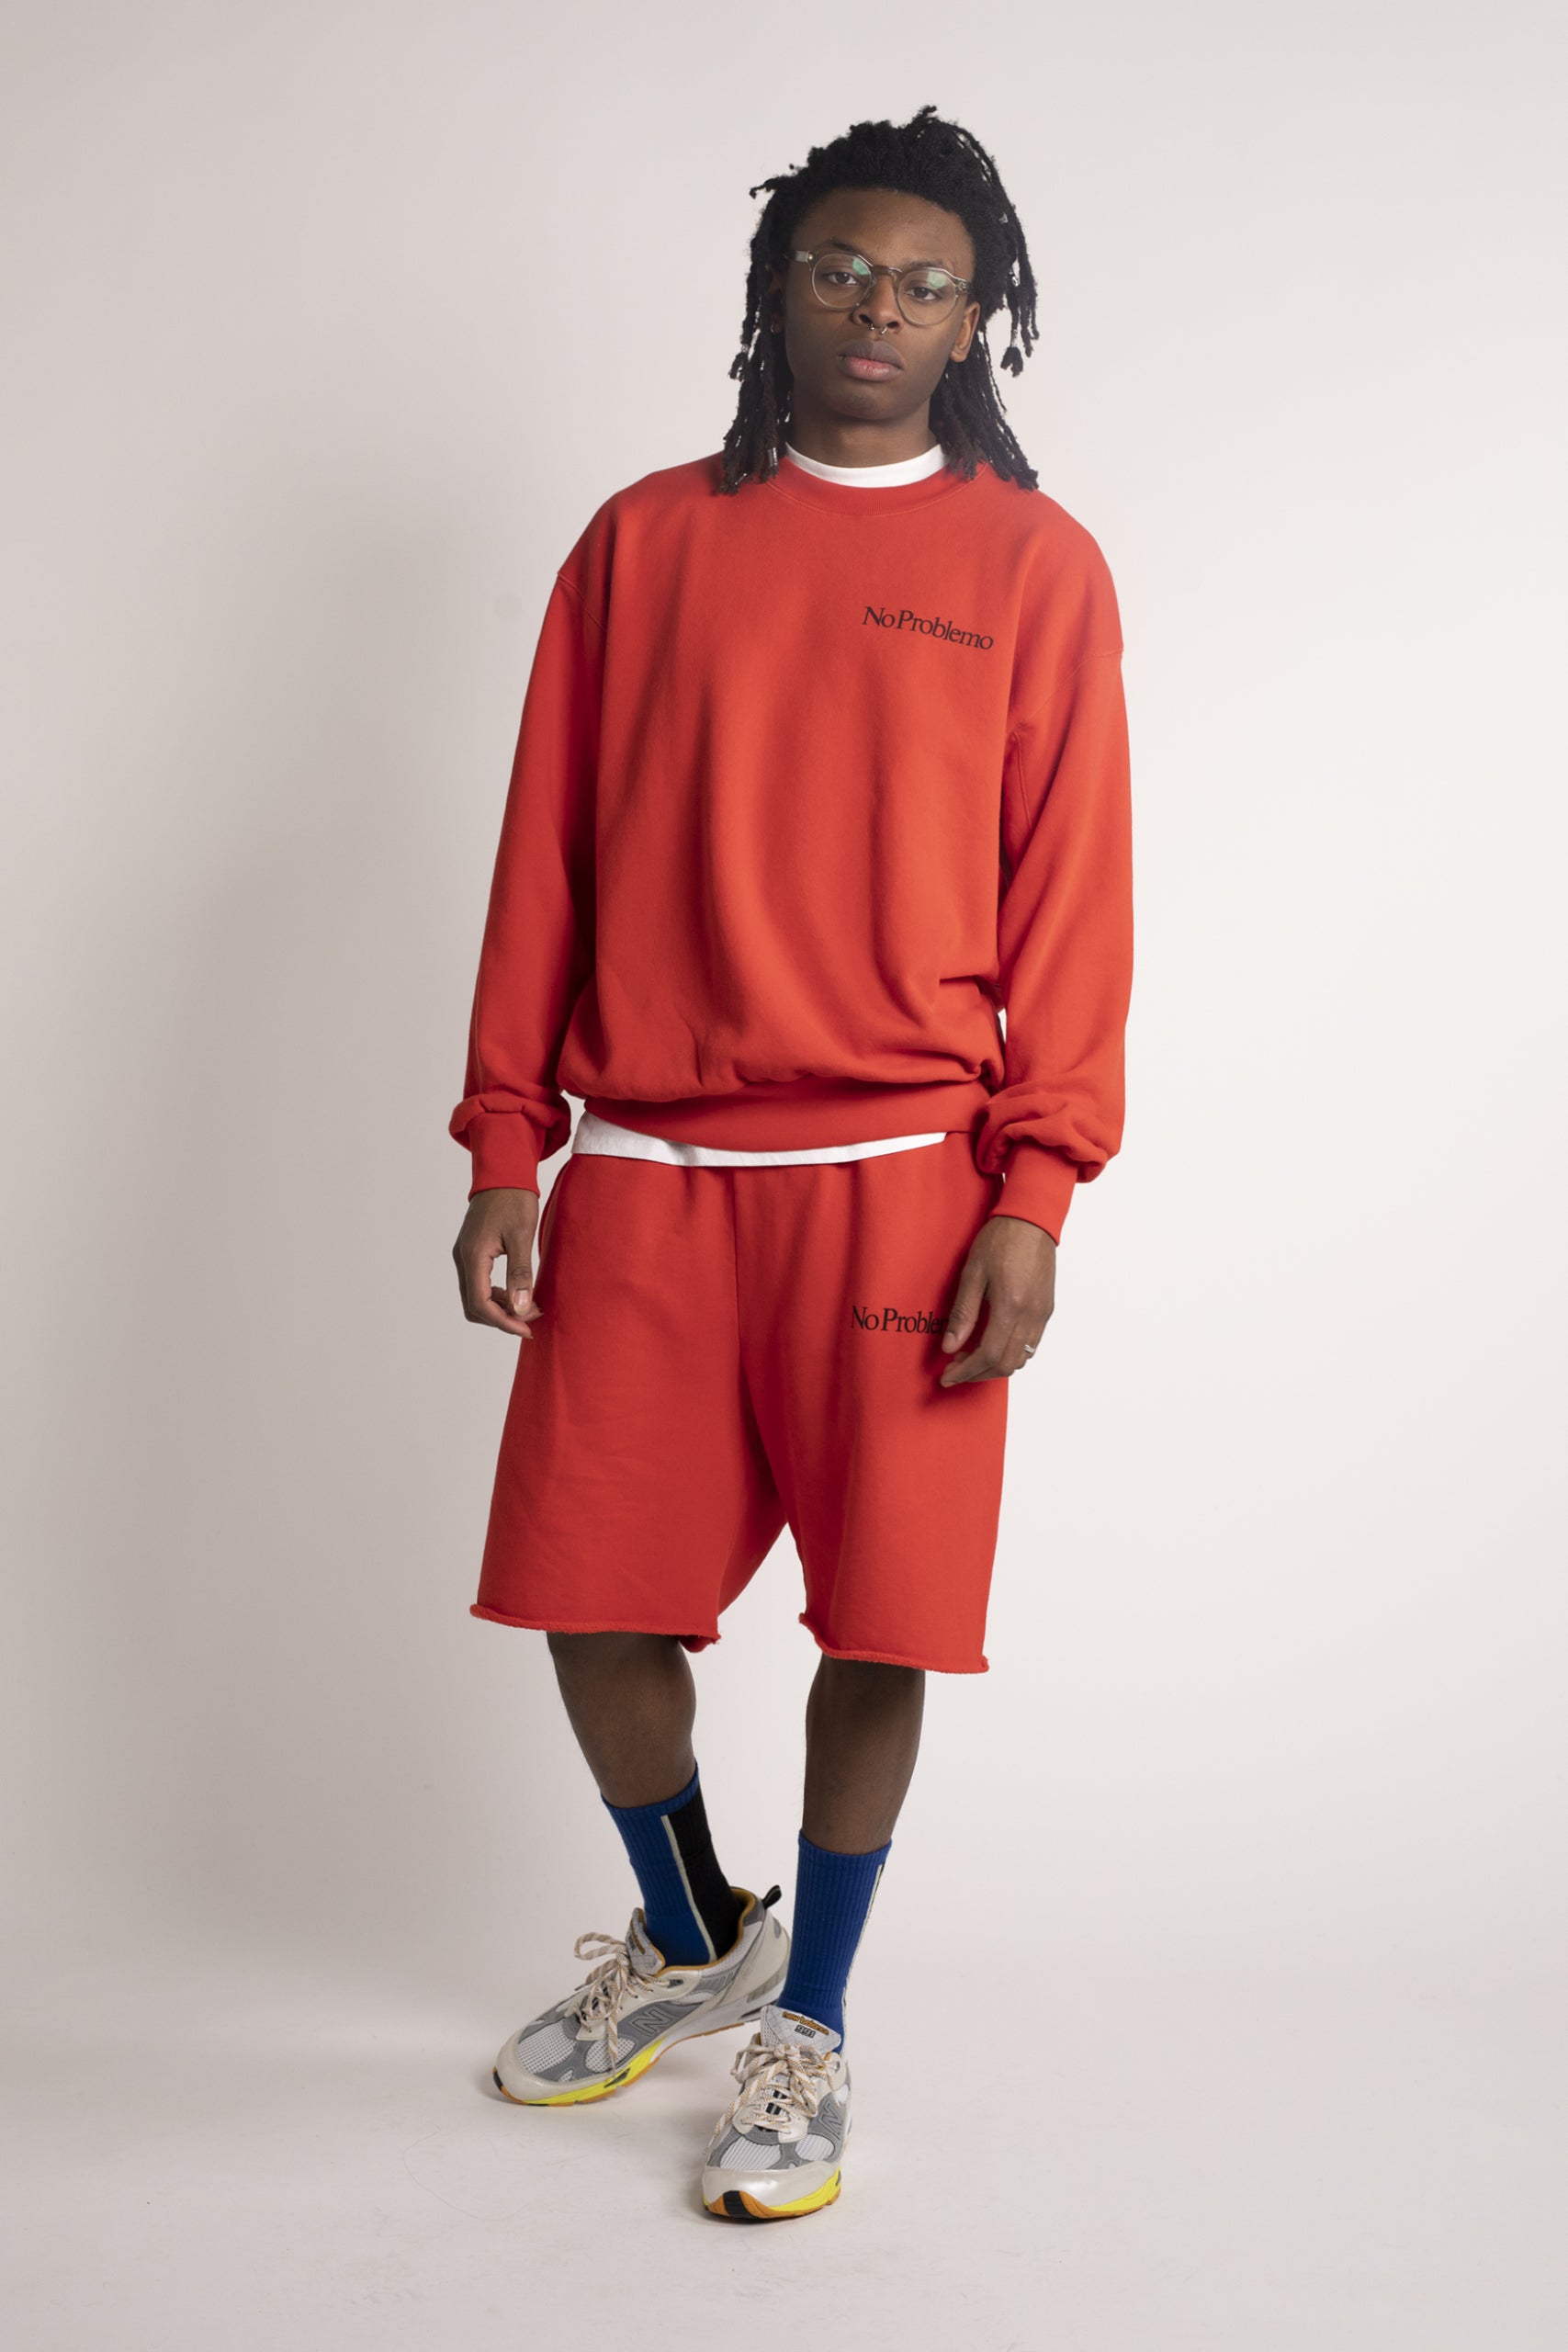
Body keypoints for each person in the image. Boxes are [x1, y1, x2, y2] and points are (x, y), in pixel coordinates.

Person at [449, 104, 1134, 2222]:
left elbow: (1072, 909)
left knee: (882, 1626)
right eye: (840, 267)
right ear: (777, 287)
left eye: (924, 283)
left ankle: (806, 2020)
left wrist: (1033, 1192)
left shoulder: (1030, 565)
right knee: (586, 1602)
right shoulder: (639, 541)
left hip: (904, 1172)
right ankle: (690, 1932)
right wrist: (505, 1142)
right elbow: (541, 863)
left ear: (974, 319)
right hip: (646, 1166)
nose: (876, 308)